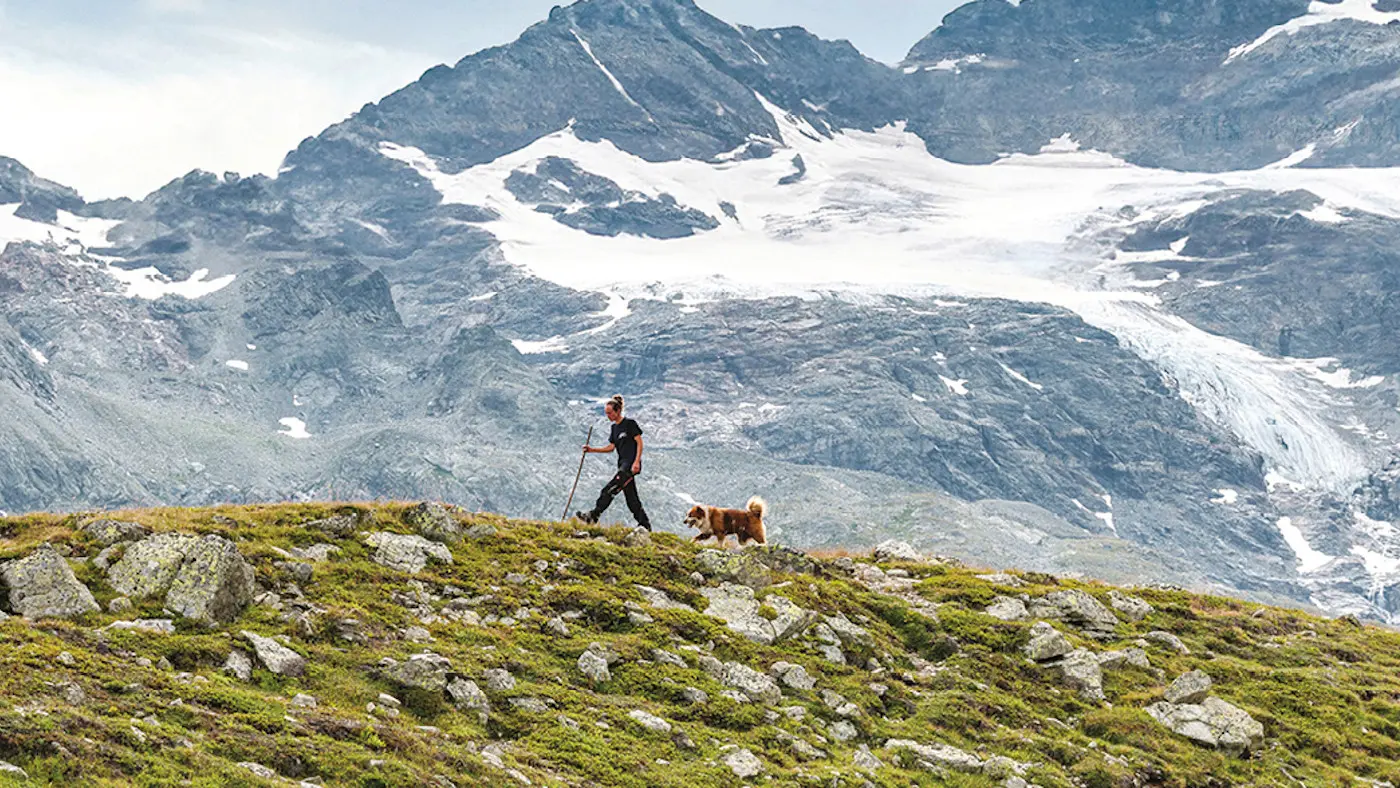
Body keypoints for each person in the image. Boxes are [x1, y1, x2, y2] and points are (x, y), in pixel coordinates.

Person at [576, 395, 651, 530]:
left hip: (629, 466)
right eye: (606, 413)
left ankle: (593, 516)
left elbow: (639, 443)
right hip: (622, 465)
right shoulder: (614, 428)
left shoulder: (630, 424)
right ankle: (645, 525)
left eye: (610, 413)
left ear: (618, 411)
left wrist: (637, 462)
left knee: (608, 490)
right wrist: (592, 450)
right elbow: (611, 447)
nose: (608, 416)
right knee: (631, 498)